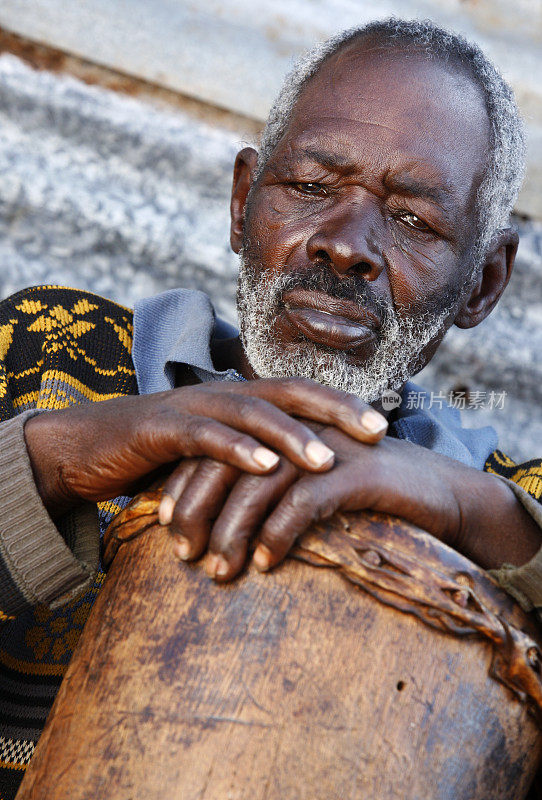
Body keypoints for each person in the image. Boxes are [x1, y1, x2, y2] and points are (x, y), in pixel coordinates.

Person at [0, 17, 541, 798]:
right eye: (313, 188)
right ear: (242, 199)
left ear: (484, 283)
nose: (346, 244)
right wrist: (49, 461)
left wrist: (469, 510)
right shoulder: (48, 352)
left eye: (414, 220)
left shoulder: (509, 504)